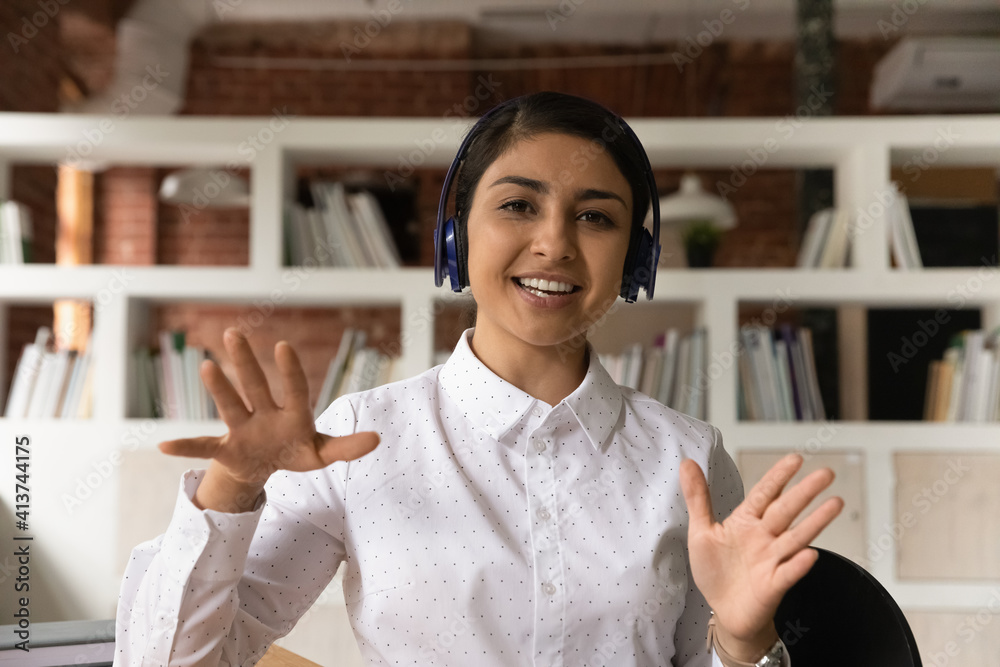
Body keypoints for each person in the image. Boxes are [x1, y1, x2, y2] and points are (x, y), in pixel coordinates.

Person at [114, 91, 843, 667]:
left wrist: (744, 642)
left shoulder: (685, 457)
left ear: (634, 259)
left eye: (595, 216)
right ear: (457, 237)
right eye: (518, 205)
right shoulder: (359, 439)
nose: (553, 242)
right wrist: (233, 492)